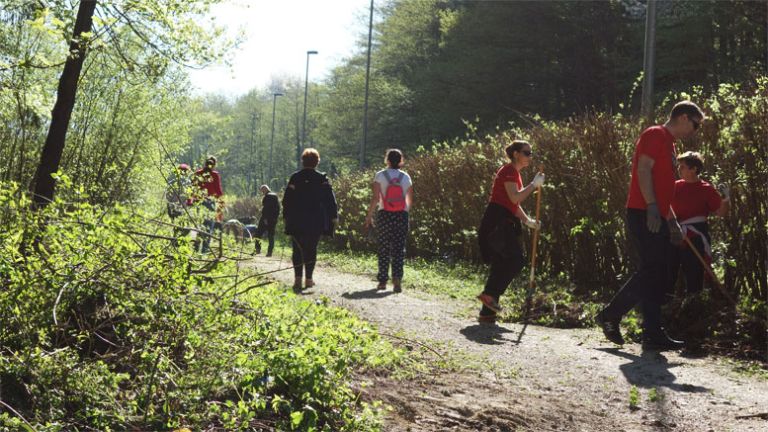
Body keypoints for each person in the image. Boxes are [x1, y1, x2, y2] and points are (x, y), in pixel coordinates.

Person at [596, 101, 705, 350]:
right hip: (643, 212)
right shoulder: (655, 134)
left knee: (658, 272)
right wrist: (652, 206)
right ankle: (612, 315)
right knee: (653, 268)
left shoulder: (670, 144)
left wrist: (672, 220)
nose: (695, 131)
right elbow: (643, 169)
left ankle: (652, 333)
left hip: (657, 213)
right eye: (696, 125)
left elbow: (663, 187)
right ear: (684, 117)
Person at [476, 140, 545, 324]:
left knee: (501, 263)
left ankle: (487, 314)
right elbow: (514, 198)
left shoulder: (515, 174)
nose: (530, 156)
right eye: (526, 153)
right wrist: (533, 185)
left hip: (502, 221)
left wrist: (528, 221)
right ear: (516, 154)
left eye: (531, 153)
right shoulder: (508, 171)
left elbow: (513, 204)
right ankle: (489, 296)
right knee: (515, 260)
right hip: (497, 223)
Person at [669, 151, 729, 295]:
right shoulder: (674, 186)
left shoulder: (706, 189)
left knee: (694, 273)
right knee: (669, 272)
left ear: (694, 169)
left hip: (696, 236)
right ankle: (668, 305)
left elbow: (721, 213)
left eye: (682, 167)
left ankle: (694, 302)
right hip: (674, 232)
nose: (679, 169)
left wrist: (726, 199)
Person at [282, 148, 338, 292]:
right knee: (311, 249)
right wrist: (333, 217)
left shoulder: (295, 177)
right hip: (315, 220)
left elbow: (286, 199)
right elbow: (330, 200)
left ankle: (297, 279)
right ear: (317, 162)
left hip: (296, 219)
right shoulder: (322, 179)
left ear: (303, 161)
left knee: (297, 249)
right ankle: (308, 279)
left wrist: (286, 216)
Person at [364, 149, 414, 293]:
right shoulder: (406, 177)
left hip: (384, 214)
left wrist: (369, 216)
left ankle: (382, 281)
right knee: (399, 249)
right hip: (401, 215)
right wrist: (404, 212)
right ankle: (397, 279)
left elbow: (375, 198)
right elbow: (409, 200)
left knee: (384, 248)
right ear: (401, 161)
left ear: (387, 160)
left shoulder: (380, 175)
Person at [193, 156, 224, 253]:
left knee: (200, 225)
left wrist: (194, 200)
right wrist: (221, 205)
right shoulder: (214, 175)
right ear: (214, 165)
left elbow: (193, 188)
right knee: (209, 227)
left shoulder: (198, 173)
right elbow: (218, 191)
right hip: (210, 202)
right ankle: (204, 250)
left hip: (199, 202)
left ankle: (196, 248)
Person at [255, 184, 280, 256]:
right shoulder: (275, 196)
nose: (262, 192)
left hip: (265, 218)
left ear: (265, 190)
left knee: (258, 233)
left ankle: (257, 249)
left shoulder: (267, 196)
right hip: (273, 219)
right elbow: (278, 209)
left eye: (262, 191)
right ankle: (269, 252)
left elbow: (266, 209)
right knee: (271, 235)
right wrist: (275, 219)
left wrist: (265, 218)